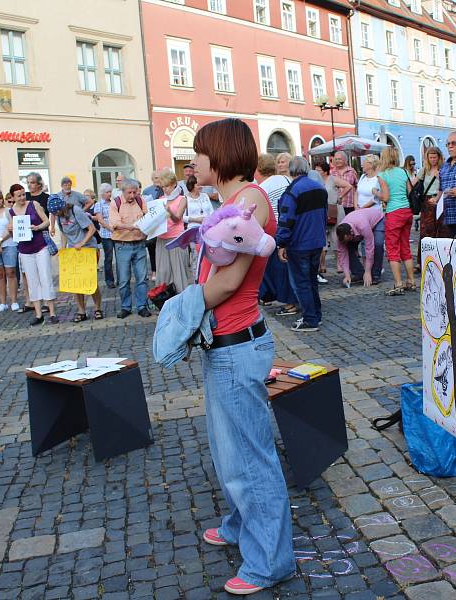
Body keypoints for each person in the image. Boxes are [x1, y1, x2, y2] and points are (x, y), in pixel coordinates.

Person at [192, 118, 294, 595]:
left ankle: (270, 561)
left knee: (250, 458)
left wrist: (185, 307)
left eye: (198, 154)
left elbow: (230, 280)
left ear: (220, 154)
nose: (193, 164)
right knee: (229, 450)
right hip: (226, 343)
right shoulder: (230, 201)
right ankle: (238, 522)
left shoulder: (248, 198)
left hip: (237, 345)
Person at [276, 156, 328, 332]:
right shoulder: (320, 188)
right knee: (312, 281)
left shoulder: (292, 191)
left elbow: (286, 219)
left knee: (301, 283)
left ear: (291, 171)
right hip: (317, 241)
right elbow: (324, 215)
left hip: (299, 243)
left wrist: (281, 243)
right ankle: (316, 315)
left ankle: (310, 319)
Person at [8, 183, 58, 326]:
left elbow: (47, 221)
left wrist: (37, 227)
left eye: (24, 194)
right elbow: (14, 233)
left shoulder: (34, 204)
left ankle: (52, 312)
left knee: (45, 277)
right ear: (13, 197)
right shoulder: (11, 211)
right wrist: (11, 230)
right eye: (19, 195)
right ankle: (38, 313)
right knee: (32, 281)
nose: (22, 197)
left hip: (40, 246)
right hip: (25, 250)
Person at [47, 196, 103, 321]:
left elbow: (92, 229)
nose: (57, 215)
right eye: (55, 213)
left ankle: (97, 308)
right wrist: (63, 248)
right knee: (76, 282)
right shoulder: (58, 217)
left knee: (90, 280)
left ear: (62, 207)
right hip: (73, 251)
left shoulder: (75, 211)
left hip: (88, 249)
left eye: (58, 212)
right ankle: (81, 311)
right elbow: (64, 233)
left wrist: (82, 243)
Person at [256, 154, 297, 310]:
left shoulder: (263, 187)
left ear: (258, 169)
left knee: (278, 268)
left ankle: (288, 302)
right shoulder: (286, 179)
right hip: (291, 227)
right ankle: (277, 296)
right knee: (287, 267)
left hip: (275, 231)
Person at [109, 178, 151, 318]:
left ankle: (142, 306)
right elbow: (115, 224)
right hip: (122, 245)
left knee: (142, 278)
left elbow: (148, 216)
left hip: (139, 244)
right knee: (124, 279)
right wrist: (134, 226)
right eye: (129, 193)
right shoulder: (116, 203)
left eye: (135, 192)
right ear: (123, 191)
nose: (132, 195)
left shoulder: (141, 200)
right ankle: (125, 307)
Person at [376, 146, 415, 295]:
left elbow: (386, 197)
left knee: (392, 249)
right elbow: (409, 192)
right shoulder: (403, 171)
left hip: (393, 213)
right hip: (406, 211)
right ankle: (411, 281)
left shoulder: (383, 174)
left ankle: (398, 283)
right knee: (405, 246)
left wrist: (376, 193)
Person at [314, 162, 352, 280]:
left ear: (325, 171)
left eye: (318, 170)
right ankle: (322, 265)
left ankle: (339, 264)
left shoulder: (332, 179)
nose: (316, 172)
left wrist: (340, 197)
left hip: (335, 210)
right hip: (321, 211)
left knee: (336, 237)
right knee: (322, 239)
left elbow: (348, 186)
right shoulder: (315, 181)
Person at [155, 170, 190, 293]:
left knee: (179, 272)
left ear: (174, 184)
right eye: (163, 186)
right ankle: (164, 300)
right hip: (161, 238)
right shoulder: (160, 199)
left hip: (176, 239)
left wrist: (169, 211)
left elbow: (177, 219)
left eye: (168, 186)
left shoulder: (182, 199)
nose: (165, 189)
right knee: (163, 272)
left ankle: (182, 300)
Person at [336, 206, 384, 287]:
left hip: (378, 220)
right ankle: (360, 274)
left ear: (351, 232)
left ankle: (375, 274)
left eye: (348, 239)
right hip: (359, 224)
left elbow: (369, 249)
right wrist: (347, 275)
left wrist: (368, 271)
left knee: (378, 244)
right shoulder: (340, 235)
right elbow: (343, 255)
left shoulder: (362, 226)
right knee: (348, 247)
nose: (346, 242)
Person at [415, 147, 447, 258]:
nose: (433, 160)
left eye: (435, 157)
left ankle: (439, 257)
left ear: (439, 157)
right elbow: (413, 182)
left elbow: (447, 185)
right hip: (427, 201)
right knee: (426, 230)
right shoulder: (424, 170)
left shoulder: (444, 169)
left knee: (441, 230)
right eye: (430, 157)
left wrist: (440, 177)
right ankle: (423, 259)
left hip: (441, 200)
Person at [183, 175, 214, 274]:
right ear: (191, 185)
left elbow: (212, 212)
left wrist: (209, 220)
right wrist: (196, 220)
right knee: (195, 254)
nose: (200, 186)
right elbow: (182, 217)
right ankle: (196, 276)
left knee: (208, 253)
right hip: (194, 231)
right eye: (197, 184)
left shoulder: (205, 196)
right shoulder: (185, 198)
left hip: (207, 229)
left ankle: (206, 275)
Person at [93, 183, 116, 288]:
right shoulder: (99, 204)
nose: (109, 194)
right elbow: (100, 220)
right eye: (107, 192)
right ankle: (109, 280)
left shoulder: (113, 203)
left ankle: (121, 279)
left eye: (110, 192)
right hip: (106, 235)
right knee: (109, 258)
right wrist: (110, 228)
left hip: (117, 233)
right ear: (102, 193)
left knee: (120, 258)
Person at [331, 151, 358, 215]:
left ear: (345, 160)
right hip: (336, 205)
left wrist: (356, 204)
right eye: (336, 159)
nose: (337, 161)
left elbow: (357, 188)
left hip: (350, 205)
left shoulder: (351, 171)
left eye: (339, 159)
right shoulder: (331, 172)